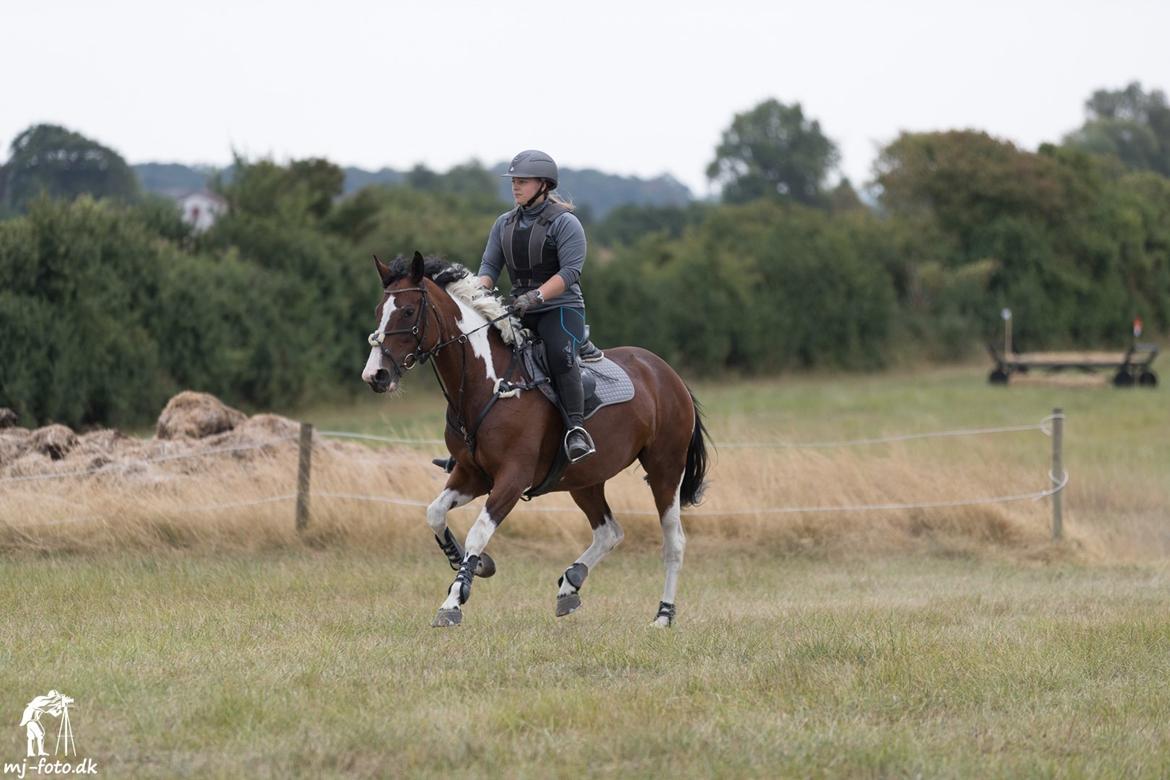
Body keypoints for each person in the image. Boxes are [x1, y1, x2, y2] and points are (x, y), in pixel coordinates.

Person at [478, 149, 597, 463]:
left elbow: (570, 272)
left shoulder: (565, 223)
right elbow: (489, 268)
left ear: (544, 184)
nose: (515, 186)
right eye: (513, 181)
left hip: (561, 309)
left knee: (559, 355)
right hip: (519, 309)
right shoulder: (503, 224)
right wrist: (475, 295)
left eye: (523, 181)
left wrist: (537, 296)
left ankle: (576, 429)